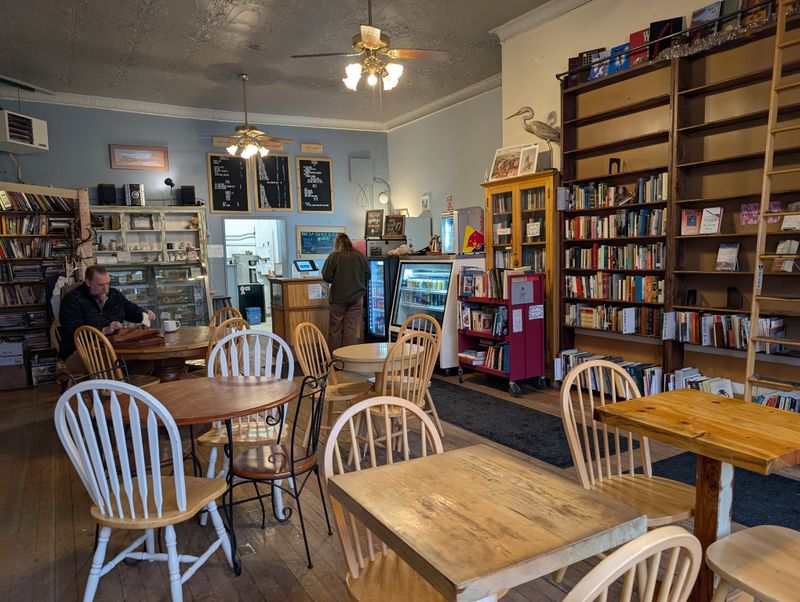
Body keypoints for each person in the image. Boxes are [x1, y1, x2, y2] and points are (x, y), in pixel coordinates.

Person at [58, 265, 157, 372]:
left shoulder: (114, 294)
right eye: (100, 285)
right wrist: (103, 330)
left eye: (107, 283)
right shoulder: (72, 300)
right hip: (80, 351)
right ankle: (113, 387)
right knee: (115, 364)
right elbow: (72, 331)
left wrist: (144, 313)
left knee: (148, 361)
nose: (105, 288)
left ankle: (129, 387)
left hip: (113, 347)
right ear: (88, 282)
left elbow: (129, 309)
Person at [322, 233, 370, 351]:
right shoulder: (359, 256)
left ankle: (336, 360)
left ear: (337, 243)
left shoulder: (334, 256)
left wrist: (337, 279)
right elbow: (368, 275)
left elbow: (327, 277)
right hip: (357, 299)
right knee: (351, 329)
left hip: (338, 299)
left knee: (335, 329)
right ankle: (348, 359)